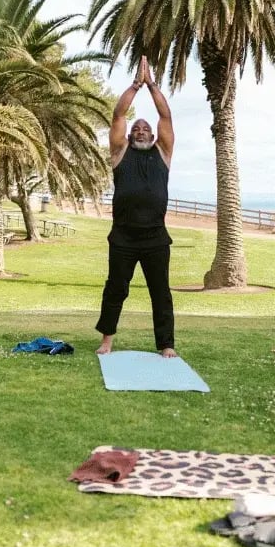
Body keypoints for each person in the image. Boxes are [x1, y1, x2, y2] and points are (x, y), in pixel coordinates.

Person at [95, 55, 177, 358]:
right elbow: (118, 115)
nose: (141, 130)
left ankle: (166, 344)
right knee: (116, 289)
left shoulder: (163, 152)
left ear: (153, 136)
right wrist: (134, 85)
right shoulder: (119, 152)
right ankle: (107, 340)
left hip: (156, 236)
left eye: (146, 128)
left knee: (161, 293)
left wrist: (152, 86)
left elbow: (166, 117)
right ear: (130, 135)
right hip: (123, 237)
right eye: (137, 128)